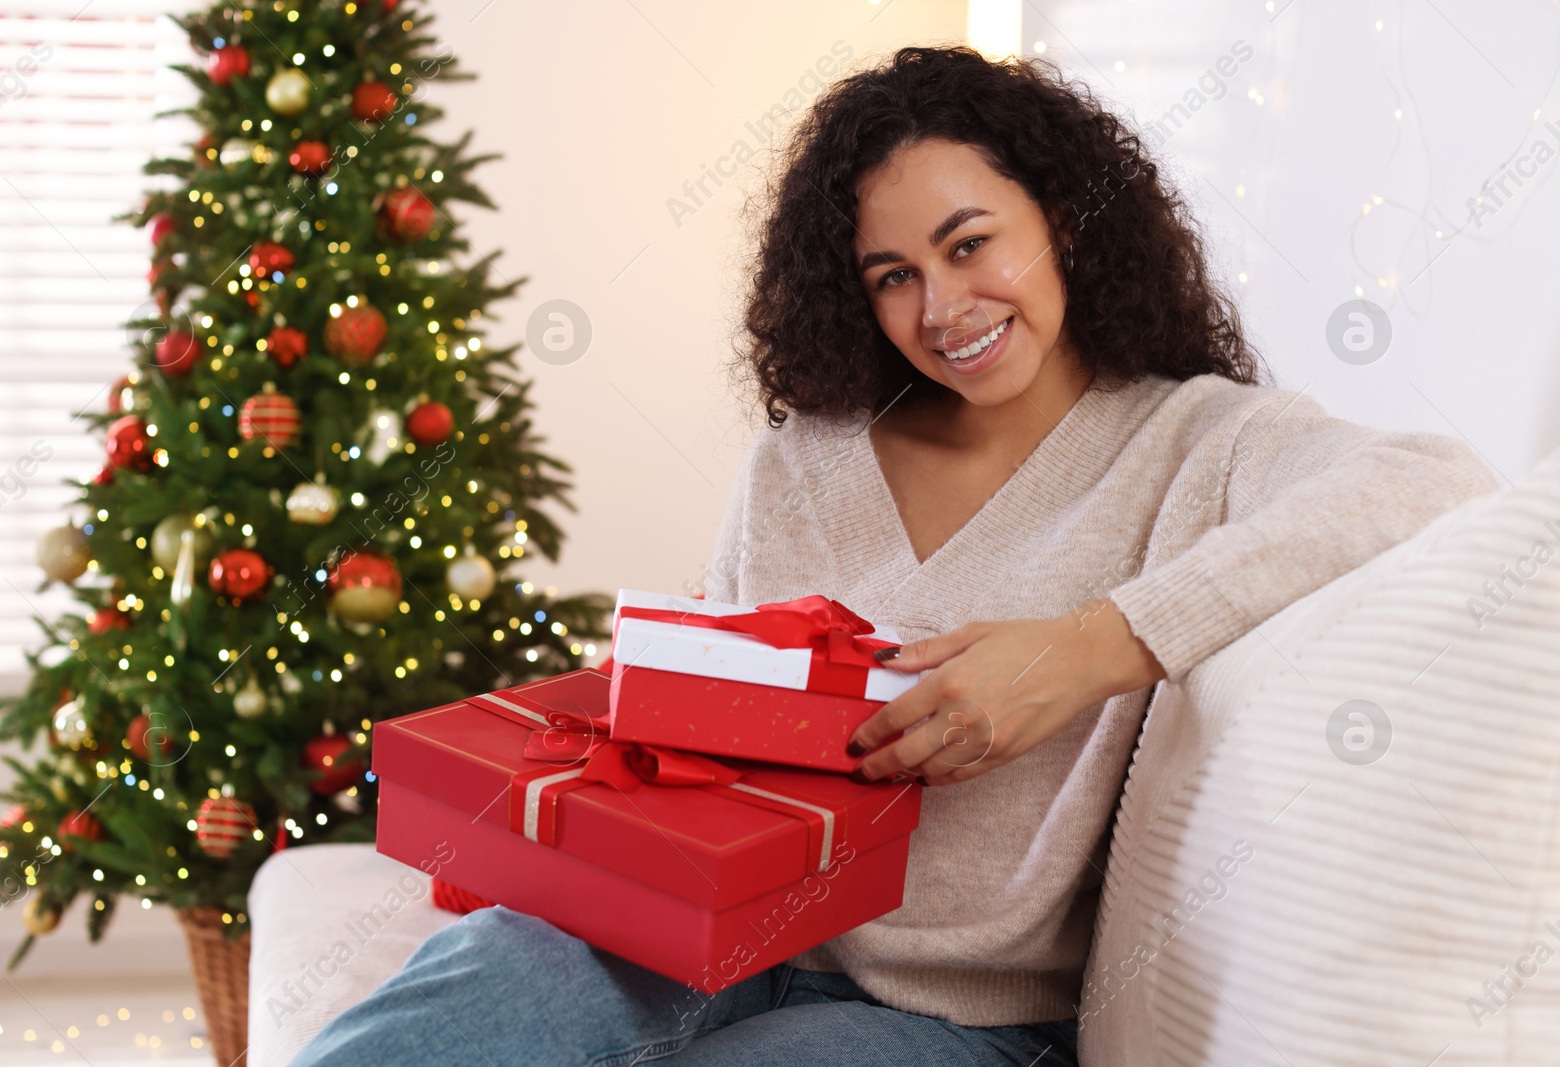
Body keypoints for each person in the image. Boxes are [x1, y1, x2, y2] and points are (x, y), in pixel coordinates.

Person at [291, 45, 1497, 1067]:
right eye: (893, 277)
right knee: (462, 999)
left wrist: (1092, 647)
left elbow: (1433, 480)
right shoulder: (803, 460)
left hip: (956, 1012)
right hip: (719, 926)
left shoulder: (1203, 441)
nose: (944, 306)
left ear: (1066, 220)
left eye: (973, 244)